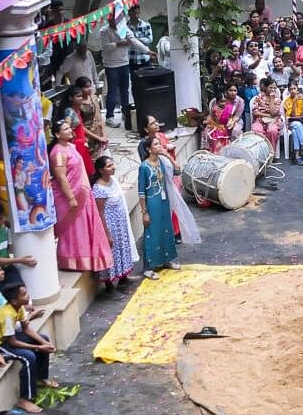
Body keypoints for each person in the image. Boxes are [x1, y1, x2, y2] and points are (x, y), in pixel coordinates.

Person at [48, 120, 113, 273]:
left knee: (82, 228)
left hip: (82, 193)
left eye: (69, 128)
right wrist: (71, 198)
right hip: (70, 196)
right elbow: (62, 177)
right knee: (72, 230)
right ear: (57, 134)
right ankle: (71, 261)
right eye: (65, 129)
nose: (70, 130)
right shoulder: (58, 153)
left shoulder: (70, 146)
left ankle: (87, 258)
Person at [0, 283, 53, 415]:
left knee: (44, 338)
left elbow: (26, 328)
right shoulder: (7, 315)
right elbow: (13, 342)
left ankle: (40, 378)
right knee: (28, 357)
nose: (28, 296)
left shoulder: (18, 307)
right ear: (14, 300)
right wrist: (38, 347)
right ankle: (24, 399)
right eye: (24, 294)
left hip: (8, 338)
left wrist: (44, 342)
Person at [137, 136, 199, 279]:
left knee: (166, 230)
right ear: (148, 149)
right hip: (152, 203)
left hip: (164, 202)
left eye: (160, 144)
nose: (160, 146)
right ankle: (148, 267)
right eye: (156, 144)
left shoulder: (162, 162)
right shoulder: (144, 167)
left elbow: (177, 171)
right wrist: (144, 212)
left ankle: (166, 260)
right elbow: (141, 192)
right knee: (152, 232)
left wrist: (168, 156)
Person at [91, 156, 138, 295]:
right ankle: (109, 286)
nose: (113, 168)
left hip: (120, 225)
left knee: (122, 250)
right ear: (101, 170)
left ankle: (123, 278)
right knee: (111, 254)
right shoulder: (98, 188)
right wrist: (107, 234)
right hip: (110, 227)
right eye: (109, 166)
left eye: (113, 165)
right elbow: (100, 213)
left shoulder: (113, 181)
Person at [99, 11, 152, 129]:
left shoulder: (124, 29)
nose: (115, 21)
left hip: (124, 63)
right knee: (112, 91)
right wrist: (118, 44)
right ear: (109, 19)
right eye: (112, 19)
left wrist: (147, 51)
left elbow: (134, 41)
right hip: (111, 65)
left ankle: (125, 113)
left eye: (117, 19)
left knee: (125, 91)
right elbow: (105, 47)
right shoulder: (104, 31)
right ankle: (109, 117)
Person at [202, 84, 244, 154]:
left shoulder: (240, 101)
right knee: (206, 131)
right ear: (226, 91)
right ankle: (208, 150)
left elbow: (237, 115)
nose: (233, 92)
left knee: (235, 131)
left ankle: (235, 151)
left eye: (235, 90)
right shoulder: (220, 98)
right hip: (217, 122)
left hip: (235, 120)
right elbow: (212, 115)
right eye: (230, 90)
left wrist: (232, 121)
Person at [282, 81, 303, 165]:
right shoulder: (287, 101)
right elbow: (291, 115)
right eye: (291, 89)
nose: (293, 91)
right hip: (292, 123)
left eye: (294, 88)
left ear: (297, 89)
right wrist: (294, 103)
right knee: (296, 124)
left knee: (295, 130)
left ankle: (296, 155)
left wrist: (301, 101)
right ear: (288, 90)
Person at [249, 78, 283, 150]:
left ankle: (270, 153)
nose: (273, 90)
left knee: (272, 131)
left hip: (273, 121)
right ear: (266, 87)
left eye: (275, 88)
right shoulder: (259, 97)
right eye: (271, 87)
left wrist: (272, 99)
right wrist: (268, 115)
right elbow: (255, 112)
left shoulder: (277, 99)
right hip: (259, 120)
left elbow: (273, 113)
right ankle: (260, 152)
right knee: (257, 130)